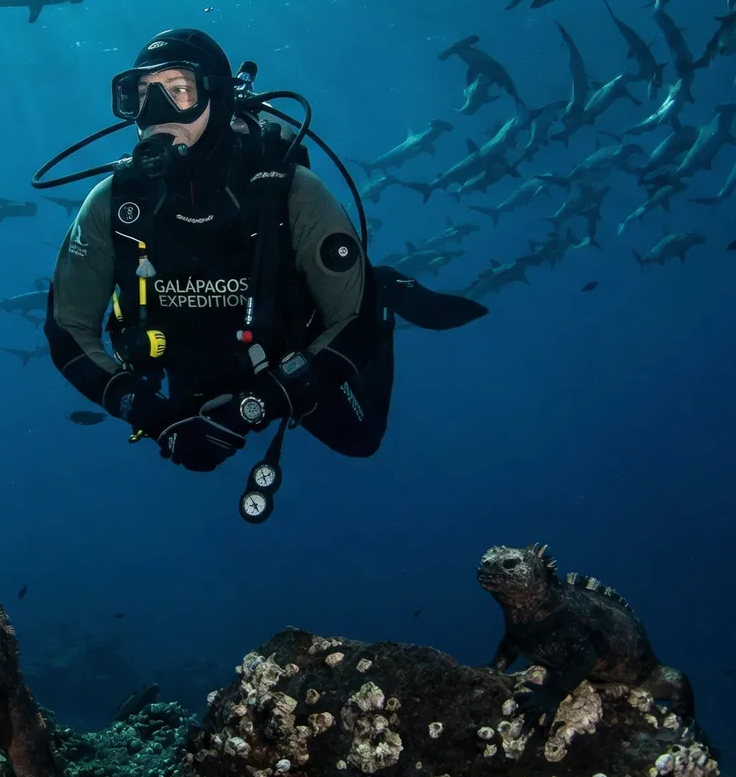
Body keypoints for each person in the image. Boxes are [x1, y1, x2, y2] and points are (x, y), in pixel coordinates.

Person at [43, 28, 483, 484]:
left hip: (291, 352)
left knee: (360, 438)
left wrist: (254, 407)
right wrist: (153, 416)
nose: (154, 114)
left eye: (178, 91)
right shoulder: (112, 203)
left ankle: (381, 285)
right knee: (197, 456)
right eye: (140, 95)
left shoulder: (288, 188)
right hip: (191, 360)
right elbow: (66, 327)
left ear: (218, 99)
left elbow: (356, 319)